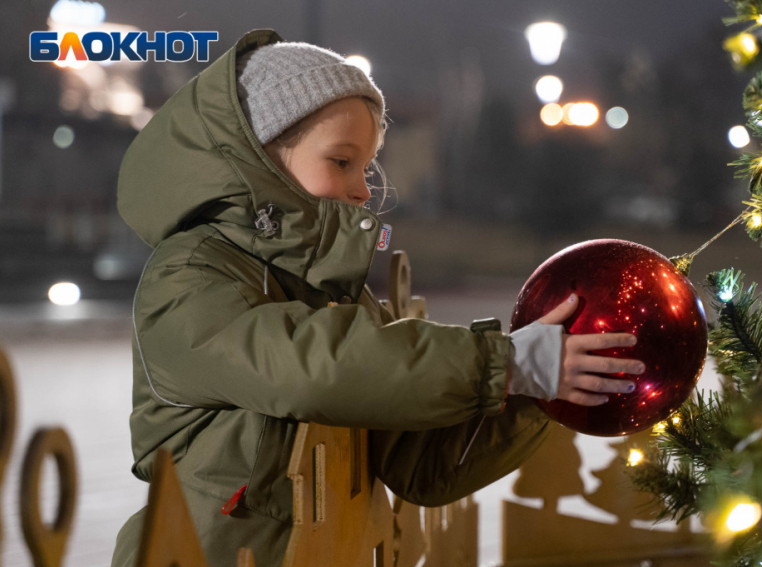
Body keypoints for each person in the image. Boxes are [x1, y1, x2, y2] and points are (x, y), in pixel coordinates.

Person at [110, 28, 644, 567]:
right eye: (342, 162)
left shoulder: (330, 293)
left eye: (366, 166)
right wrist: (506, 363)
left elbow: (423, 463)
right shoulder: (190, 277)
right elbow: (312, 366)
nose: (364, 188)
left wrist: (537, 393)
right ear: (258, 159)